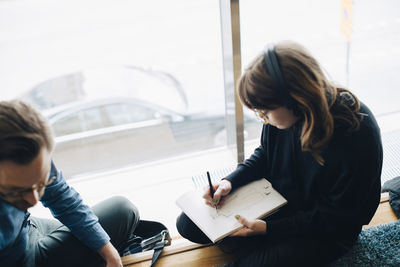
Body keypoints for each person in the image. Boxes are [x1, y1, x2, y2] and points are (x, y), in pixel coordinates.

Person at [176, 41, 383, 266]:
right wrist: (230, 182)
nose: (263, 119)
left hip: (326, 230)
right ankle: (260, 243)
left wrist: (269, 229)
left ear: (295, 98)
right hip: (281, 201)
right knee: (188, 224)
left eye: (265, 112)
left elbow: (336, 218)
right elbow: (266, 154)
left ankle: (259, 244)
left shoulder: (356, 134)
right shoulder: (286, 115)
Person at [0, 100, 140, 267]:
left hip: (28, 229)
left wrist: (111, 255)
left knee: (122, 209)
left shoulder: (30, 149)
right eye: (16, 191)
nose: (34, 200)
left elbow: (61, 198)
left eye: (40, 183)